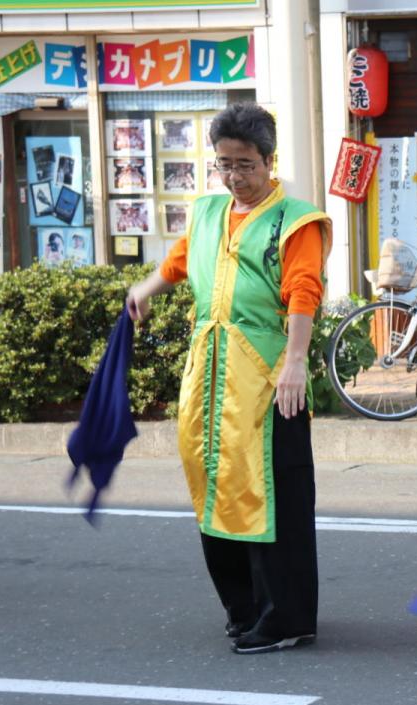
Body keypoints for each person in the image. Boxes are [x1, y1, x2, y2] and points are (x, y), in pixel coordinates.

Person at [125, 102, 332, 655]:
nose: (235, 177)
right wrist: (143, 291)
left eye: (246, 165)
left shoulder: (297, 220)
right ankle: (243, 607)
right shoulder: (209, 212)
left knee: (273, 495)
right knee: (213, 485)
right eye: (225, 165)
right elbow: (180, 262)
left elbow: (304, 291)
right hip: (210, 377)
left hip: (267, 380)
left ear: (269, 160)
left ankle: (285, 616)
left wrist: (295, 361)